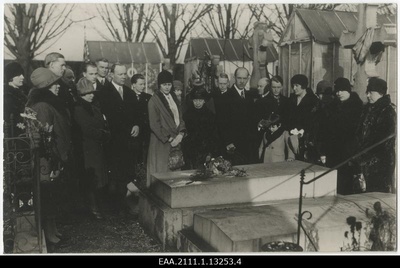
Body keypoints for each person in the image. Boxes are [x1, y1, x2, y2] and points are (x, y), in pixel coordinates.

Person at [26, 67, 72, 247]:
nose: (57, 87)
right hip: (48, 160)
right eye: (53, 85)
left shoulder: (49, 103)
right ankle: (49, 234)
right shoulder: (43, 106)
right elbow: (46, 138)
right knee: (47, 196)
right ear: (44, 89)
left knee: (52, 196)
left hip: (54, 157)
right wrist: (54, 160)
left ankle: (53, 230)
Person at [97, 63, 140, 215]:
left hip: (128, 140)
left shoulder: (129, 93)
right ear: (112, 75)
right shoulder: (104, 92)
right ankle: (113, 207)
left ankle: (123, 205)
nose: (123, 77)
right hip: (113, 140)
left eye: (124, 74)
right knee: (114, 174)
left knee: (126, 171)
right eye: (120, 74)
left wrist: (136, 125)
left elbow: (136, 114)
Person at [74, 78, 111, 219]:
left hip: (97, 147)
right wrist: (103, 134)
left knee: (99, 177)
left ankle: (97, 206)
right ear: (81, 95)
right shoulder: (78, 109)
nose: (91, 95)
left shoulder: (94, 107)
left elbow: (103, 124)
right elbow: (87, 129)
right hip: (87, 148)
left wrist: (105, 132)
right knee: (92, 179)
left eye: (92, 92)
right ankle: (93, 207)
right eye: (87, 93)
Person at [321, 78, 363, 194]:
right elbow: (326, 130)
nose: (339, 94)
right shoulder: (332, 107)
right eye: (337, 91)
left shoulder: (357, 107)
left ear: (349, 90)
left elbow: (358, 132)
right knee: (334, 184)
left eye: (342, 90)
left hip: (349, 153)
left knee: (347, 184)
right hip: (333, 152)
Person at [354, 77, 396, 193]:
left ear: (381, 93)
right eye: (367, 92)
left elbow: (383, 142)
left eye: (371, 93)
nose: (368, 95)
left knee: (376, 193)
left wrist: (367, 157)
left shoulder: (387, 111)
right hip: (364, 160)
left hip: (379, 163)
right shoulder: (367, 109)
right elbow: (359, 132)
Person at [147, 70, 186, 188]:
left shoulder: (174, 98)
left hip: (175, 140)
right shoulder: (153, 101)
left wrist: (181, 134)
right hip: (161, 142)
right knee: (162, 171)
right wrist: (169, 138)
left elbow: (180, 117)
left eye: (169, 84)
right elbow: (154, 125)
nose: (167, 87)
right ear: (159, 85)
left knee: (174, 170)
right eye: (164, 85)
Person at [224, 67, 258, 165]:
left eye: (244, 78)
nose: (242, 81)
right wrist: (228, 142)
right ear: (234, 78)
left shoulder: (249, 97)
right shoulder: (226, 97)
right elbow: (222, 122)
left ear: (248, 78)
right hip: (234, 146)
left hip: (249, 145)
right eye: (239, 78)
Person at [182, 84, 219, 169]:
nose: (198, 103)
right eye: (195, 100)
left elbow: (213, 136)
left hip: (205, 153)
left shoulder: (210, 116)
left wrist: (210, 153)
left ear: (204, 101)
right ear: (192, 100)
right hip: (190, 153)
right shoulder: (187, 115)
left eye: (200, 100)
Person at [287, 74, 319, 161]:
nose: (294, 88)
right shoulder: (292, 100)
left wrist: (302, 131)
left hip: (305, 140)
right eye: (293, 85)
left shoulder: (312, 101)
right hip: (292, 138)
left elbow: (313, 121)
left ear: (303, 86)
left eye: (297, 85)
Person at [130, 74, 152, 177]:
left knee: (145, 153)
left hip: (146, 131)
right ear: (133, 84)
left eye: (144, 84)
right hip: (133, 132)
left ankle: (143, 172)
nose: (143, 86)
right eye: (140, 84)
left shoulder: (148, 97)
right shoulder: (128, 96)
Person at [3, 62, 27, 137]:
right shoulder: (7, 96)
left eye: (22, 74)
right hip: (14, 135)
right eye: (19, 75)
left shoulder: (20, 92)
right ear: (10, 77)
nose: (22, 77)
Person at [212, 73, 231, 157]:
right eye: (220, 84)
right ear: (217, 83)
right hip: (217, 130)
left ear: (228, 83)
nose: (222, 86)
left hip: (228, 129)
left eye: (224, 84)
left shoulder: (232, 95)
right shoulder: (214, 94)